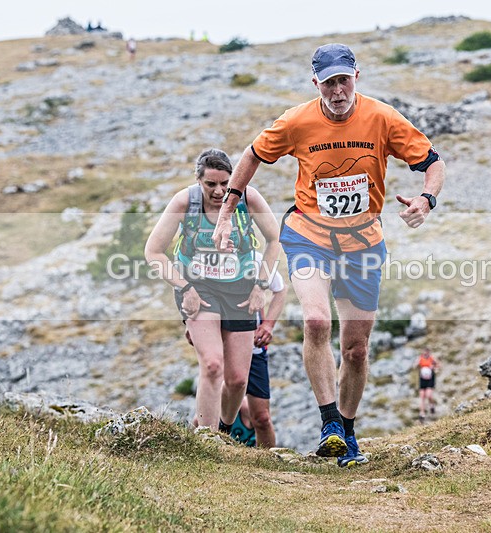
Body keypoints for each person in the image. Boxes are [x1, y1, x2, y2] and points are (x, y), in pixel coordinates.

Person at [212, 43, 446, 467]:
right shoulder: (296, 121)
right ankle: (329, 423)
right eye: (329, 83)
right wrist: (227, 211)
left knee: (355, 348)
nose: (338, 91)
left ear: (357, 76)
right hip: (308, 234)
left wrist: (426, 201)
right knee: (317, 320)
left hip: (363, 243)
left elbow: (434, 163)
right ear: (315, 83)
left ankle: (348, 434)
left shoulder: (383, 118)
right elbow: (250, 156)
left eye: (344, 80)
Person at [145, 148, 281, 433]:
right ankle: (207, 438)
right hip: (199, 288)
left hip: (241, 290)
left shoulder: (248, 198)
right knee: (212, 365)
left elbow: (274, 239)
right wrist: (185, 289)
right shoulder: (185, 202)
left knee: (237, 381)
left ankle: (224, 430)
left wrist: (261, 286)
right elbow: (154, 252)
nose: (219, 191)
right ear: (198, 181)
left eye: (225, 183)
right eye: (211, 185)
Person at [227, 251, 289, 448]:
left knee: (261, 418)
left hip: (254, 349)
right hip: (221, 347)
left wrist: (268, 324)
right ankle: (209, 457)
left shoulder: (255, 257)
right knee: (211, 416)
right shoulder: (205, 255)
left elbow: (280, 289)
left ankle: (268, 466)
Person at [414, 349, 440, 423]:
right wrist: (417, 364)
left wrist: (434, 367)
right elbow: (414, 366)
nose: (425, 354)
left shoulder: (432, 358)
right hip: (422, 379)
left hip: (430, 378)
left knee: (428, 395)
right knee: (422, 396)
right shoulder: (420, 358)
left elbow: (438, 365)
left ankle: (432, 405)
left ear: (428, 352)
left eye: (426, 352)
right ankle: (422, 413)